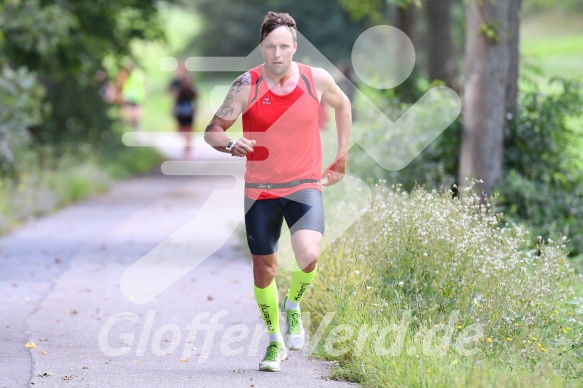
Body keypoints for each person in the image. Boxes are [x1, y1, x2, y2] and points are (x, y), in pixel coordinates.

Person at [204, 11, 351, 372]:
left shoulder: (315, 79)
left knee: (308, 255)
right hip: (261, 191)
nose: (277, 54)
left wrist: (341, 157)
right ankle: (274, 342)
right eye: (270, 46)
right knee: (264, 269)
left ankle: (293, 305)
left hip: (303, 185)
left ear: (295, 47)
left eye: (284, 46)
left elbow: (343, 104)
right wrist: (230, 143)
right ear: (262, 47)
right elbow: (212, 130)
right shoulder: (246, 85)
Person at [168, 62, 198, 159]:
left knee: (188, 129)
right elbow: (169, 91)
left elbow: (195, 94)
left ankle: (188, 148)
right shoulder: (176, 81)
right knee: (182, 129)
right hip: (180, 107)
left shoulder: (189, 80)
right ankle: (187, 146)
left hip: (188, 107)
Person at [118, 63, 147, 130]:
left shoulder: (136, 74)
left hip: (135, 97)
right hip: (131, 97)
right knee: (130, 114)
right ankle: (131, 128)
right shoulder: (137, 74)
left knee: (134, 114)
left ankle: (134, 128)